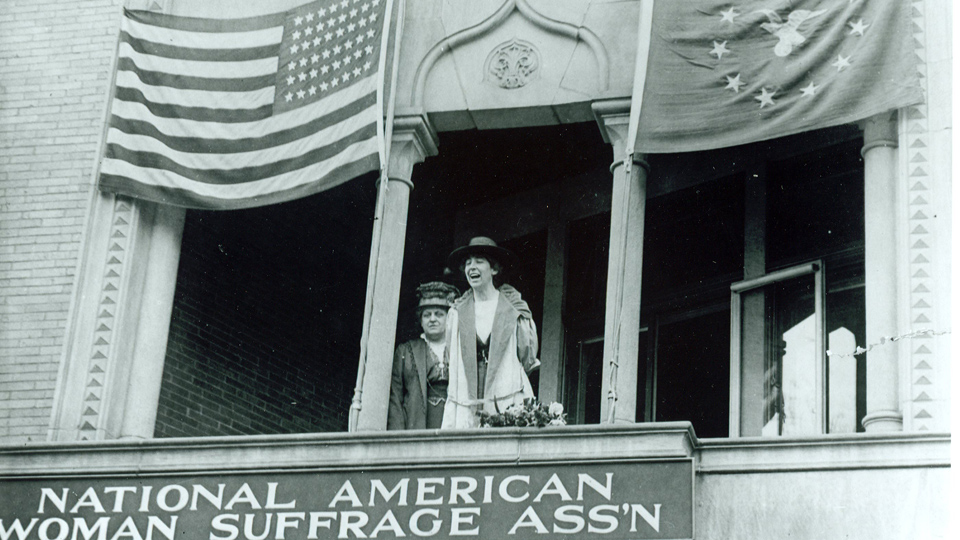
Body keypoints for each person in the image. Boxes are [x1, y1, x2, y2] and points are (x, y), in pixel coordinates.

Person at [442, 237, 540, 429]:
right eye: (468, 263)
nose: (472, 267)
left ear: (494, 269)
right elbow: (450, 360)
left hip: (504, 389)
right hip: (466, 394)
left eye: (479, 261)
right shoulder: (456, 312)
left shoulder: (514, 309)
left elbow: (527, 357)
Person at [387, 281, 459, 430]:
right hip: (417, 426)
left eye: (439, 314)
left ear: (449, 318)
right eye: (427, 315)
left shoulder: (459, 349)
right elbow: (395, 398)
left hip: (455, 424)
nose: (432, 319)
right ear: (421, 320)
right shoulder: (405, 351)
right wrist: (398, 439)